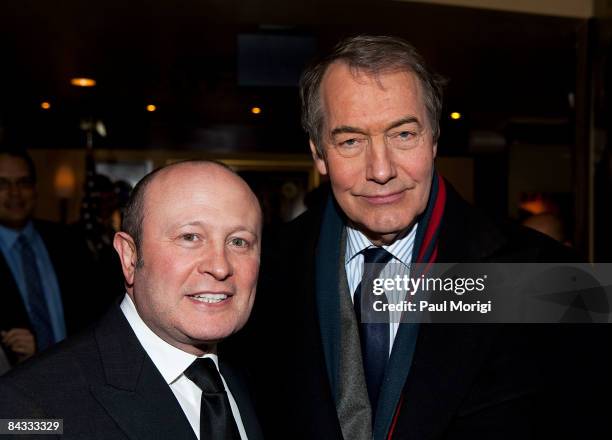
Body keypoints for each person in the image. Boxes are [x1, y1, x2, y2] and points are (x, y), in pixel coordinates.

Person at [244, 35, 608, 439]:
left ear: (434, 138)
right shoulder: (263, 272)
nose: (381, 170)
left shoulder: (550, 275)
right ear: (318, 154)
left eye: (403, 135)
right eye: (350, 141)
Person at [0, 160, 264, 440]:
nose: (220, 267)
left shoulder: (268, 379)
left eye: (239, 241)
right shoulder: (28, 410)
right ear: (128, 256)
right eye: (190, 237)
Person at [0, 148, 92, 367]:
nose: (15, 193)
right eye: (3, 184)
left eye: (23, 182)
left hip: (77, 374)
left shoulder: (68, 242)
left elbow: (92, 313)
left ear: (35, 189)